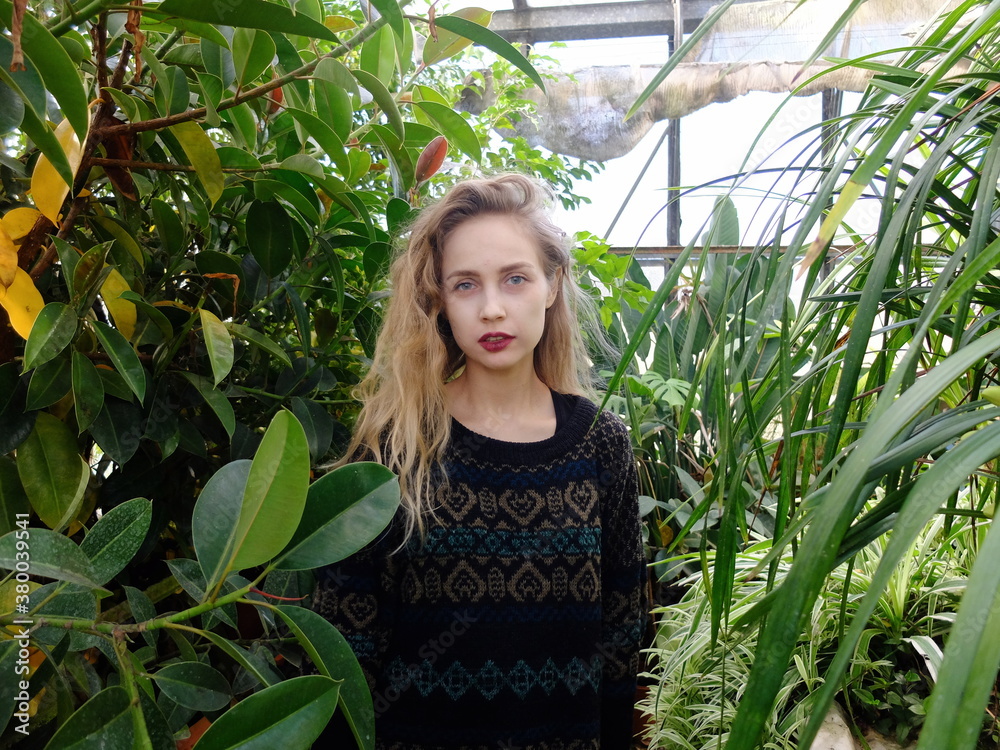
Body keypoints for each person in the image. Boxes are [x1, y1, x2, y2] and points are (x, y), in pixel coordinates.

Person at [312, 174, 646, 750]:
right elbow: (346, 648)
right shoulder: (397, 448)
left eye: (515, 279)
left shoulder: (601, 444)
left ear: (551, 285)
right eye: (466, 285)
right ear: (440, 300)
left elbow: (622, 637)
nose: (492, 309)